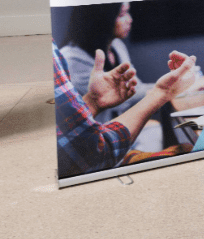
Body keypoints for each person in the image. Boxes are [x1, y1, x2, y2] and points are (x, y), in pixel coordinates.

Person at [53, 41, 196, 178]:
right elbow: (93, 152)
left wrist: (92, 102)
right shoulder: (66, 57)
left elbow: (65, 129)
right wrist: (162, 92)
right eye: (122, 14)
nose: (130, 19)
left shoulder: (117, 46)